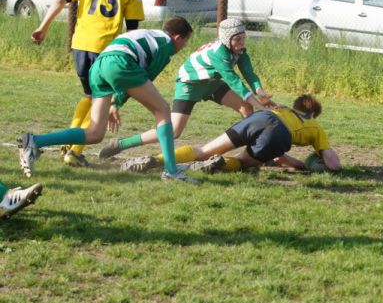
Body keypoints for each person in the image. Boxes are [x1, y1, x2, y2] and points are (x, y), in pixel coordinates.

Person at [18, 17, 194, 182]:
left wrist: (116, 102)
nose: (183, 46)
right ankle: (172, 172)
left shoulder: (151, 34)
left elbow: (134, 77)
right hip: (119, 63)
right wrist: (117, 102)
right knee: (162, 109)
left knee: (95, 133)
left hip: (99, 66)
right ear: (177, 37)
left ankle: (34, 141)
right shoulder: (166, 45)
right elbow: (145, 76)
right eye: (185, 42)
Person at [31, 0, 145, 168]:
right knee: (99, 101)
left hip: (80, 46)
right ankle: (74, 151)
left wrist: (43, 27)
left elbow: (59, 0)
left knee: (88, 96)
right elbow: (132, 30)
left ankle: (69, 143)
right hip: (106, 51)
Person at [97, 18, 275, 159]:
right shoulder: (218, 53)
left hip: (211, 82)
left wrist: (261, 93)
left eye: (243, 37)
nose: (241, 42)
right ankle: (120, 144)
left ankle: (259, 151)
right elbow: (234, 81)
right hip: (189, 83)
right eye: (237, 38)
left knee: (246, 108)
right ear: (227, 39)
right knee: (173, 131)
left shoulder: (240, 50)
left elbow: (249, 74)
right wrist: (262, 108)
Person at [121, 94, 342, 173]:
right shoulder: (315, 127)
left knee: (203, 149)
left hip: (260, 118)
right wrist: (307, 164)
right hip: (279, 135)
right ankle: (218, 164)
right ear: (312, 113)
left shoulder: (281, 108)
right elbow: (332, 163)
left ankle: (156, 159)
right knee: (245, 163)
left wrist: (291, 162)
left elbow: (278, 157)